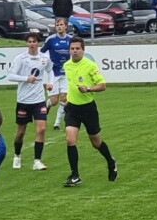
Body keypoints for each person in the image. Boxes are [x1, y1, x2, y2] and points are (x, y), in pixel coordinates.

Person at [62, 36, 117, 187]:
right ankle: (75, 175)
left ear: (83, 50)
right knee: (70, 140)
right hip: (72, 108)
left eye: (77, 48)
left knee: (96, 142)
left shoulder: (90, 65)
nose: (74, 51)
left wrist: (88, 88)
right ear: (69, 50)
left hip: (88, 109)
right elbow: (70, 84)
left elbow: (103, 85)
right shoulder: (66, 65)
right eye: (72, 49)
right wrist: (66, 98)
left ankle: (110, 161)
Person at [8, 33, 53, 171]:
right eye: (29, 41)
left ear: (38, 43)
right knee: (21, 132)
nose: (32, 44)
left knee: (42, 129)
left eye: (34, 41)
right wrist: (26, 79)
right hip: (23, 100)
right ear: (26, 43)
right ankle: (17, 155)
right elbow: (10, 75)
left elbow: (50, 70)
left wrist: (50, 83)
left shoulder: (44, 58)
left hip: (39, 99)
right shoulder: (21, 59)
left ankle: (37, 161)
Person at [41, 17, 72, 131]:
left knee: (64, 98)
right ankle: (47, 105)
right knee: (54, 101)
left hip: (66, 73)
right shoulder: (51, 40)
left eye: (61, 25)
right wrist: (45, 63)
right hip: (53, 73)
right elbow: (41, 53)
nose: (59, 27)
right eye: (57, 25)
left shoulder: (71, 39)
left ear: (65, 26)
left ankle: (56, 124)